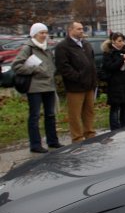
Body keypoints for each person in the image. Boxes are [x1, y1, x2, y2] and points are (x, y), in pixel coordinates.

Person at [11, 23, 64, 153]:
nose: (44, 35)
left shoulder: (46, 48)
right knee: (34, 115)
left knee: (50, 115)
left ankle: (53, 141)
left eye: (46, 32)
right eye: (41, 33)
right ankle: (35, 144)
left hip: (49, 86)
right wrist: (35, 70)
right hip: (34, 87)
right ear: (34, 34)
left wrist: (52, 71)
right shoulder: (28, 48)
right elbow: (16, 65)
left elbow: (51, 65)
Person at [54, 21, 98, 143]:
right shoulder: (63, 46)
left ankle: (89, 133)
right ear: (70, 30)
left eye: (82, 29)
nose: (81, 31)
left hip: (89, 84)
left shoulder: (86, 44)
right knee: (75, 114)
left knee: (89, 111)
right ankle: (77, 137)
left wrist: (94, 79)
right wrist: (78, 77)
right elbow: (63, 67)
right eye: (78, 29)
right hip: (75, 86)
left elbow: (92, 63)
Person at [102, 32, 125, 130]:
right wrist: (122, 59)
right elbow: (110, 67)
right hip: (114, 83)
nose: (121, 43)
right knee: (115, 107)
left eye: (122, 41)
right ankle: (114, 128)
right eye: (119, 41)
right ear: (113, 41)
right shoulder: (108, 53)